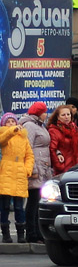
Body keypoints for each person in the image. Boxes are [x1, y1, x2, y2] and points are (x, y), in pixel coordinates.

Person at [18, 102, 52, 244]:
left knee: (39, 203)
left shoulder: (39, 125)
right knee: (33, 203)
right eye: (44, 111)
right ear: (38, 113)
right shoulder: (30, 126)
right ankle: (31, 233)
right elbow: (27, 148)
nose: (46, 114)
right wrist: (33, 170)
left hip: (43, 169)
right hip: (36, 170)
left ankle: (38, 233)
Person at [0, 112, 34, 243]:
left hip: (19, 172)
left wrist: (27, 169)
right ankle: (6, 234)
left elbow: (30, 155)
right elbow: (2, 141)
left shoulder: (23, 137)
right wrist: (11, 131)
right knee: (5, 206)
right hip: (6, 172)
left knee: (19, 206)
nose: (11, 124)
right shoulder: (4, 134)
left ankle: (21, 234)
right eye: (8, 122)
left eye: (13, 121)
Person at [48, 103, 78, 176]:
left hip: (77, 166)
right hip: (64, 167)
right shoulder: (53, 130)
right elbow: (52, 149)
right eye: (63, 115)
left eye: (68, 114)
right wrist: (60, 166)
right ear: (58, 117)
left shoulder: (74, 127)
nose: (66, 117)